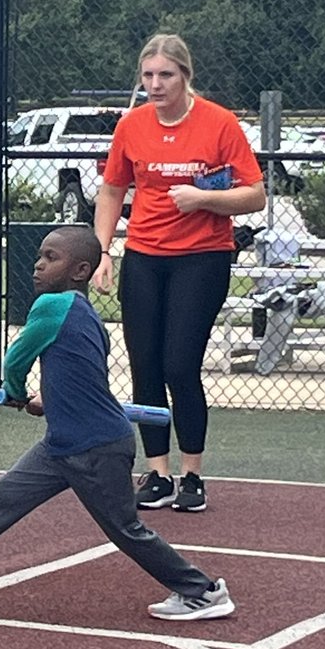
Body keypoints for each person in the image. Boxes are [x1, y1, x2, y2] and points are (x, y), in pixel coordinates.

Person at [0, 226, 234, 621]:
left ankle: (203, 592)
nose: (38, 264)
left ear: (80, 270)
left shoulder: (51, 306)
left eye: (52, 258)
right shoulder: (88, 317)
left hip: (96, 447)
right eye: (40, 255)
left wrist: (16, 392)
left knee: (126, 531)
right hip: (62, 443)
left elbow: (15, 361)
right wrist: (47, 401)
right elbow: (76, 378)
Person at [92, 34, 266, 513]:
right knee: (144, 364)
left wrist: (204, 198)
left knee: (179, 365)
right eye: (147, 76)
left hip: (202, 257)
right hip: (145, 255)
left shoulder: (218, 123)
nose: (155, 84)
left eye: (165, 75)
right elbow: (111, 191)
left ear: (185, 76)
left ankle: (192, 474)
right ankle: (158, 472)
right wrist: (103, 250)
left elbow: (255, 194)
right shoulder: (133, 125)